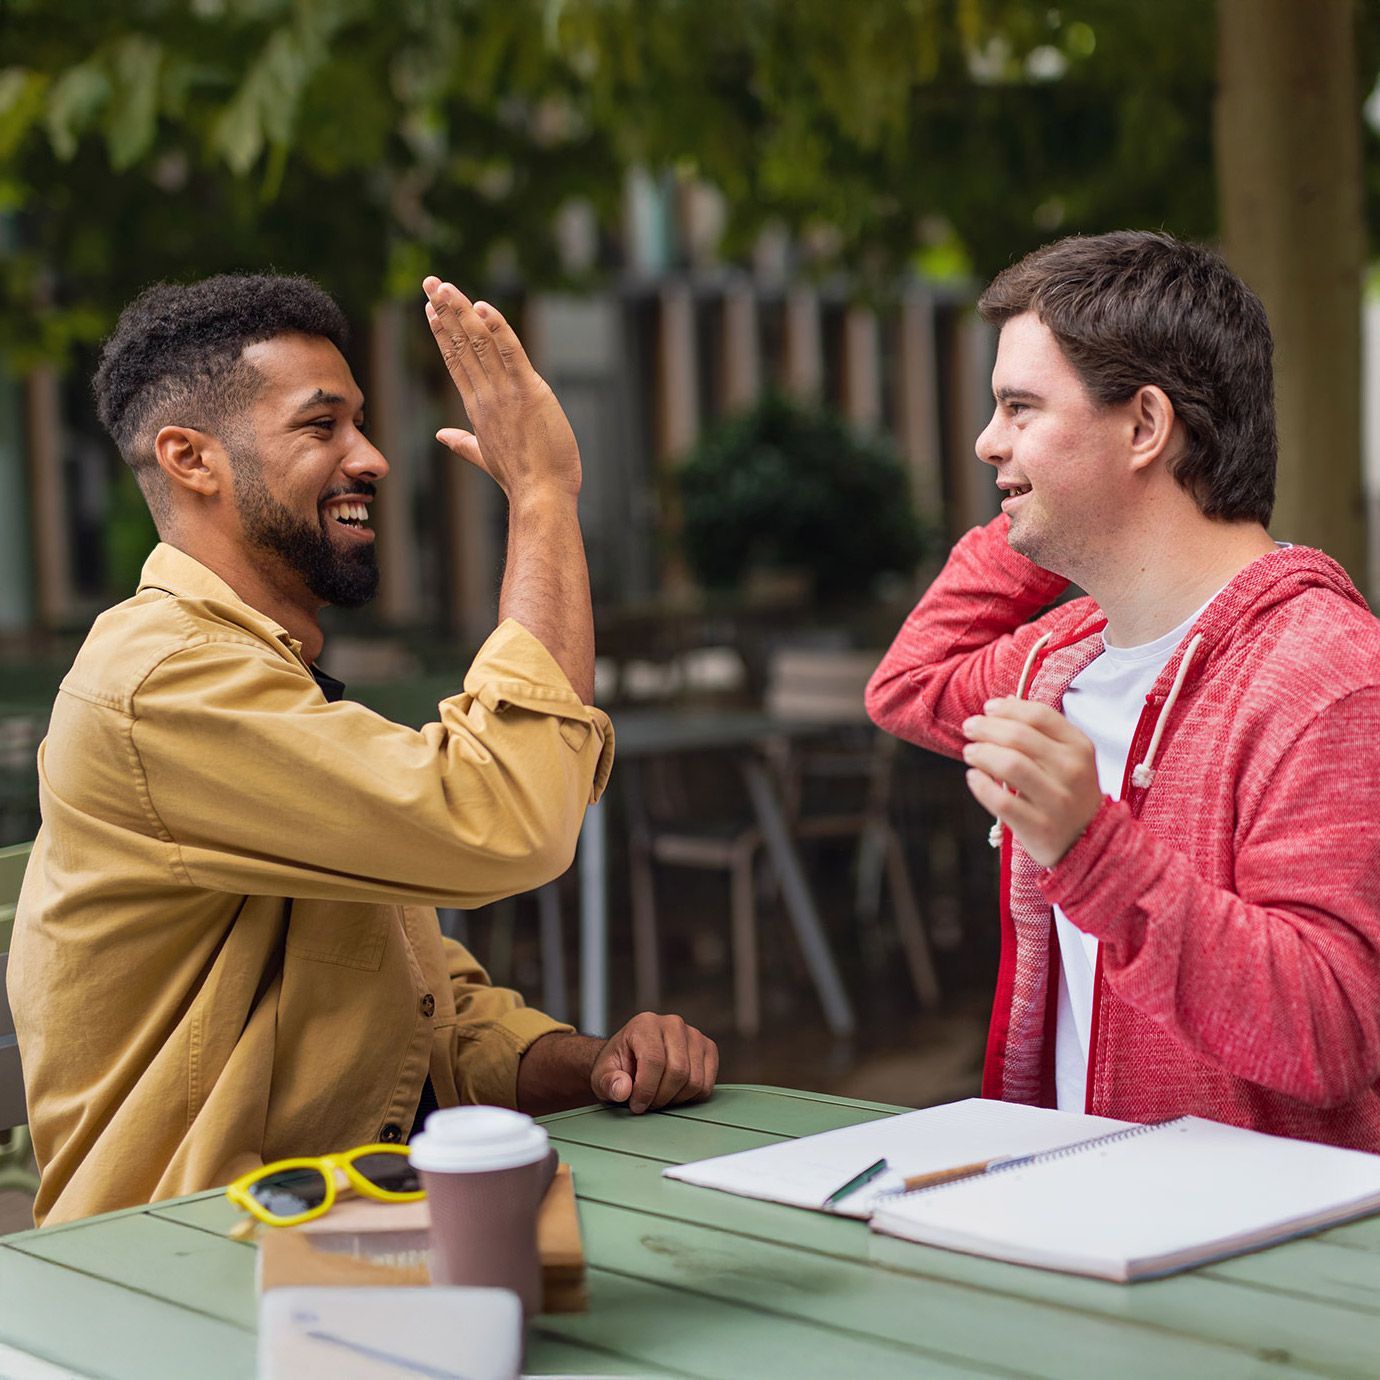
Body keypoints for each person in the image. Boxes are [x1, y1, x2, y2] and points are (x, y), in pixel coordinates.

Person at [9, 272, 718, 1226]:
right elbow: (506, 818)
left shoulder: (260, 674)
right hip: (185, 1266)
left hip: (339, 1235)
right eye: (321, 426)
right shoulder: (163, 680)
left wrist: (593, 1064)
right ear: (191, 458)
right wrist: (543, 496)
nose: (374, 458)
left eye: (361, 425)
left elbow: (425, 1010)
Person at [867, 231, 1380, 1150]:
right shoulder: (1060, 658)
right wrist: (1044, 506)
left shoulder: (1330, 676)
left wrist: (1091, 851)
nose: (988, 441)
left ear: (1145, 427)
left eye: (1020, 408)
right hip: (1077, 1218)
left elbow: (1333, 1030)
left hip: (1258, 1270)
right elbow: (909, 683)